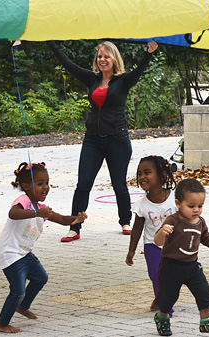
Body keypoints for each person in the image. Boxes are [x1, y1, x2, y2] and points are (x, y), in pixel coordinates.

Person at [47, 39, 158, 242]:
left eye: (106, 56)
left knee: (119, 185)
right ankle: (75, 226)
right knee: (83, 184)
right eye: (99, 56)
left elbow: (140, 70)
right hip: (93, 141)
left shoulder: (124, 80)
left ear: (114, 59)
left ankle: (125, 221)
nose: (102, 59)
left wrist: (149, 53)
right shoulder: (92, 79)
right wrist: (52, 44)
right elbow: (69, 65)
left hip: (118, 139)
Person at [0, 162, 87, 333]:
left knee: (40, 278)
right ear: (26, 186)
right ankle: (2, 323)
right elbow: (12, 214)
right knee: (17, 291)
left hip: (24, 254)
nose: (45, 187)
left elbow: (61, 219)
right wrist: (37, 213)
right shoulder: (23, 201)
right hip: (10, 254)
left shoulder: (41, 208)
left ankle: (22, 306)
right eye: (40, 184)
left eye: (47, 182)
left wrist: (77, 219)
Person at [153, 178, 209, 336]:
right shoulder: (172, 220)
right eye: (191, 206)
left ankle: (205, 322)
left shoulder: (200, 222)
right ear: (178, 203)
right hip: (171, 267)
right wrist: (162, 232)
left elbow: (208, 239)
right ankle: (162, 317)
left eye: (200, 206)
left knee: (204, 293)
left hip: (192, 267)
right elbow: (158, 241)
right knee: (168, 298)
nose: (196, 210)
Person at [125, 156, 177, 312]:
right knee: (156, 274)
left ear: (163, 175)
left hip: (173, 246)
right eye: (139, 173)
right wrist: (131, 250)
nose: (142, 177)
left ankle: (160, 299)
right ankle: (165, 307)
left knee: (171, 277)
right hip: (152, 245)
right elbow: (137, 229)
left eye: (147, 172)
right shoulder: (141, 205)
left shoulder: (176, 199)